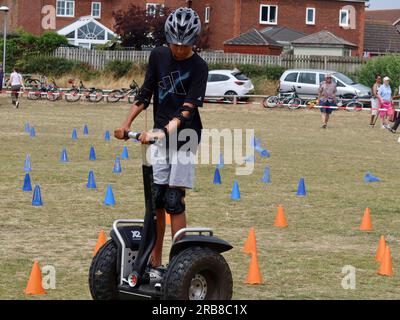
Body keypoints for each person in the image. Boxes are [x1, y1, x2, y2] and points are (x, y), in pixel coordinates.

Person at [114, 7, 207, 267]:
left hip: (186, 136)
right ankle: (154, 262)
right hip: (159, 135)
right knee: (157, 199)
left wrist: (160, 132)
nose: (178, 50)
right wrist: (126, 123)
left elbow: (188, 110)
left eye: (184, 45)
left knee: (174, 200)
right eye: (174, 44)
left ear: (193, 41)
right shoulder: (158, 56)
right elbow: (146, 93)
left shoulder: (199, 66)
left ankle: (179, 262)